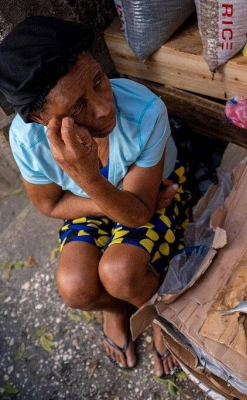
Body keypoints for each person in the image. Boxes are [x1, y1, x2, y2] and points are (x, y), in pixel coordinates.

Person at [0, 16, 192, 376]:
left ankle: (160, 314)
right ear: (41, 117)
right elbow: (50, 204)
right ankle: (116, 309)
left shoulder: (145, 112)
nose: (104, 107)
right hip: (108, 201)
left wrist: (92, 180)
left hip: (155, 192)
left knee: (120, 272)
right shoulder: (26, 140)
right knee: (74, 287)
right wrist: (105, 195)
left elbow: (137, 215)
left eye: (98, 81)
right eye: (76, 109)